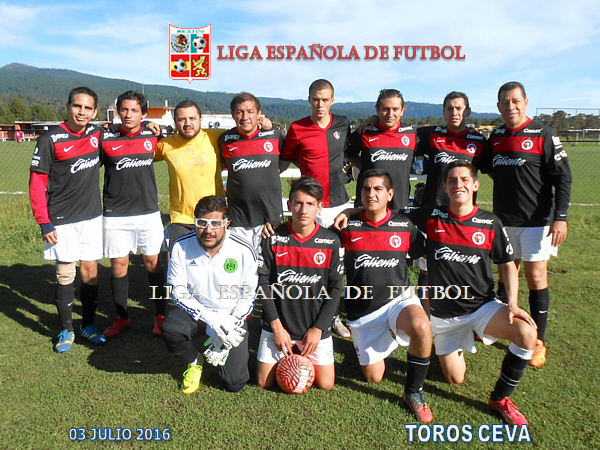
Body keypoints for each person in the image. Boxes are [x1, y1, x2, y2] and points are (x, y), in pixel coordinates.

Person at [333, 161, 538, 427]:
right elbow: (383, 209)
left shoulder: (490, 222)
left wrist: (512, 304)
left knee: (527, 333)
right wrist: (350, 210)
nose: (458, 185)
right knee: (451, 378)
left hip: (483, 306)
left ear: (476, 185)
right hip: (443, 315)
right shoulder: (431, 216)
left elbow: (508, 264)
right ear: (445, 186)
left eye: (464, 180)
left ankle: (499, 398)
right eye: (452, 180)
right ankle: (432, 349)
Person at [482, 82, 572, 368]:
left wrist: (561, 217)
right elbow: (489, 167)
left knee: (535, 277)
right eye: (505, 102)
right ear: (498, 106)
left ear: (525, 102)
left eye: (516, 101)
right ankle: (500, 326)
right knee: (506, 275)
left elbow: (563, 177)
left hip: (537, 221)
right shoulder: (496, 136)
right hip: (504, 220)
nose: (511, 106)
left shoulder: (543, 134)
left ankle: (538, 341)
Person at [337, 169, 433, 422]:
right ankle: (383, 340)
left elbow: (429, 255)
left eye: (378, 189)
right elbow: (315, 238)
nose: (371, 194)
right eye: (366, 189)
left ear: (390, 194)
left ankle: (413, 391)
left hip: (398, 301)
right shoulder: (347, 225)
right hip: (363, 313)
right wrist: (348, 212)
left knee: (422, 326)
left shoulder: (404, 226)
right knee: (373, 377)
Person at [29, 86, 106, 352]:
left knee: (91, 272)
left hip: (92, 217)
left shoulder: (97, 134)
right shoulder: (50, 138)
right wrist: (44, 222)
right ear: (68, 107)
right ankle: (66, 330)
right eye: (77, 106)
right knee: (65, 274)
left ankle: (88, 325)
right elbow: (37, 183)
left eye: (87, 108)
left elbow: (125, 134)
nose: (82, 112)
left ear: (94, 112)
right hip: (61, 219)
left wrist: (150, 126)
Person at [160, 196, 258, 394]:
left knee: (234, 383)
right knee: (172, 329)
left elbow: (249, 294)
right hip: (198, 312)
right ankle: (194, 360)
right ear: (195, 222)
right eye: (202, 223)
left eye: (215, 223)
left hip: (230, 316)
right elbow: (177, 291)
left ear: (226, 224)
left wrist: (230, 324)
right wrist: (212, 320)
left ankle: (221, 345)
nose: (208, 230)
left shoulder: (244, 249)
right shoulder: (180, 245)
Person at [256, 177, 343, 391]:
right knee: (263, 382)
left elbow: (336, 288)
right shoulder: (272, 237)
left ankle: (299, 351)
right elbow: (263, 283)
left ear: (319, 207)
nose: (304, 210)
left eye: (310, 204)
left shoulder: (330, 241)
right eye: (298, 203)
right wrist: (276, 327)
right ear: (289, 205)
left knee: (326, 384)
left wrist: (318, 329)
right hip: (279, 327)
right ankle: (289, 348)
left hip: (313, 327)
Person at [280, 79, 351, 337]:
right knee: (309, 263)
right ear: (309, 99)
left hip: (338, 205)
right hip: (310, 207)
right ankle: (306, 312)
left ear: (332, 100)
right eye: (315, 99)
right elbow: (285, 158)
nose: (320, 104)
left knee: (336, 265)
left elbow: (353, 150)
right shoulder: (297, 128)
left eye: (325, 99)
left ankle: (334, 316)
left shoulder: (343, 124)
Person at [100, 90, 167, 338]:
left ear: (144, 113)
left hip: (148, 212)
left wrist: (154, 126)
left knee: (154, 264)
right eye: (124, 110)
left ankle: (160, 315)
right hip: (115, 214)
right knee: (119, 266)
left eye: (134, 110)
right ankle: (122, 317)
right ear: (118, 112)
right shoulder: (105, 138)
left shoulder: (153, 135)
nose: (128, 114)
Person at [154, 100, 226, 251]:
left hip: (214, 217)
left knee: (215, 261)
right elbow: (139, 149)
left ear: (201, 119)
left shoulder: (216, 137)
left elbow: (244, 134)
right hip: (182, 219)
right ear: (175, 122)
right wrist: (145, 124)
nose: (188, 123)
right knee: (177, 261)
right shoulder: (166, 145)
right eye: (182, 119)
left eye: (192, 118)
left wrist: (265, 124)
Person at [219, 92, 284, 250]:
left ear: (259, 113)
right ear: (233, 115)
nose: (245, 117)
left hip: (270, 219)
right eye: (239, 112)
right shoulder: (225, 140)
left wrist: (273, 172)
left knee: (268, 263)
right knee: (240, 263)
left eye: (250, 111)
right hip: (238, 219)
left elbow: (287, 159)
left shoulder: (274, 135)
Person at [347, 89, 416, 210]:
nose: (390, 114)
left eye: (395, 109)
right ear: (377, 109)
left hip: (399, 204)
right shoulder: (365, 132)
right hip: (369, 202)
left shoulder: (412, 134)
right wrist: (365, 167)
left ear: (402, 110)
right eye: (385, 109)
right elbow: (347, 152)